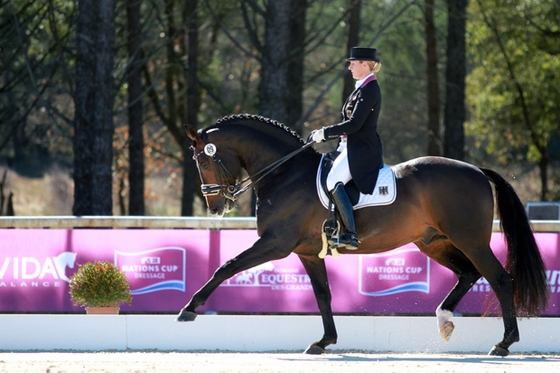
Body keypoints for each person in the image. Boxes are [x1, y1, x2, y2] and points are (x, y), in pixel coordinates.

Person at [310, 47, 384, 250]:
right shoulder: (360, 88)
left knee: (333, 180)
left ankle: (350, 234)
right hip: (348, 147)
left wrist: (324, 133)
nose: (349, 66)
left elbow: (354, 125)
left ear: (365, 65)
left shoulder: (370, 90)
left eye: (353, 63)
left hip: (361, 149)